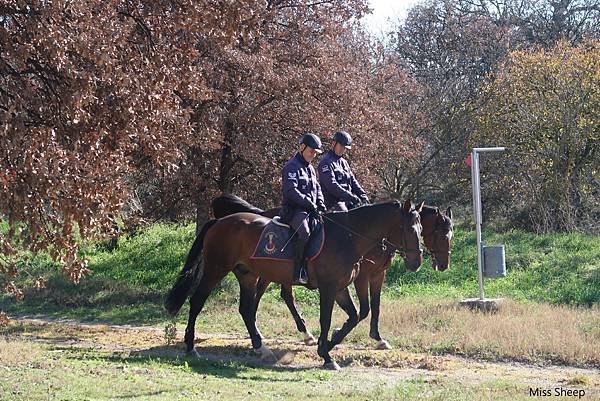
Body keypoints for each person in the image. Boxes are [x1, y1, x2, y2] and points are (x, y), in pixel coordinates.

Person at [281, 133, 327, 285]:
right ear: (302, 147)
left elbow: (317, 188)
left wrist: (320, 202)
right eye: (311, 151)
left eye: (315, 152)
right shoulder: (291, 167)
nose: (313, 154)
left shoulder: (311, 168)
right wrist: (310, 203)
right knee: (305, 232)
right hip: (295, 210)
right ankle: (298, 270)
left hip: (310, 209)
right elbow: (291, 191)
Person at [318, 131, 369, 212]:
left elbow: (353, 180)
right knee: (345, 215)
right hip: (333, 202)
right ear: (334, 143)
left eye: (345, 147)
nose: (343, 149)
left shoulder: (344, 163)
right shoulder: (325, 163)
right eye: (341, 146)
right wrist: (350, 196)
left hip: (347, 201)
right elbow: (331, 185)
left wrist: (362, 195)